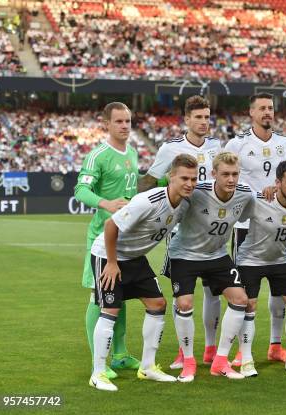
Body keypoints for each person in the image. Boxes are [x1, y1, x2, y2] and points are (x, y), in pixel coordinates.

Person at [88, 154, 198, 391]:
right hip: (109, 256)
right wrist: (112, 262)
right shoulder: (148, 201)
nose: (189, 183)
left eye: (193, 178)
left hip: (135, 258)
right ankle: (98, 373)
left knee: (158, 304)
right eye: (184, 178)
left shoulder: (185, 204)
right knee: (110, 310)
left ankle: (147, 367)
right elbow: (111, 225)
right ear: (171, 177)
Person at [137, 95, 223, 367]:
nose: (203, 122)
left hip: (212, 232)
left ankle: (210, 347)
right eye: (198, 117)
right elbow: (147, 183)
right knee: (182, 295)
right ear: (186, 119)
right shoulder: (170, 149)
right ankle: (184, 352)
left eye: (207, 117)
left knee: (213, 292)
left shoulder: (216, 147)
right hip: (181, 233)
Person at [167, 152, 253, 381]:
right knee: (184, 304)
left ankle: (220, 361)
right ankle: (187, 361)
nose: (231, 179)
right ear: (214, 174)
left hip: (216, 256)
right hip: (184, 255)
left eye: (235, 174)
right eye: (225, 174)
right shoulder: (196, 192)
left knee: (240, 300)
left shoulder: (245, 194)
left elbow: (255, 212)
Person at [224, 93, 286, 364]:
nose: (267, 112)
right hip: (246, 225)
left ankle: (275, 346)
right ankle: (243, 351)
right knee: (247, 294)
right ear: (251, 112)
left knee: (279, 290)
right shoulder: (237, 144)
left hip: (279, 225)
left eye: (271, 108)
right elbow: (227, 179)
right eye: (262, 108)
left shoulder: (285, 143)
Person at [75, 102, 139, 380]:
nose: (125, 126)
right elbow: (81, 190)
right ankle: (96, 361)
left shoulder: (133, 153)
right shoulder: (97, 155)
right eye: (119, 121)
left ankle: (121, 355)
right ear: (108, 124)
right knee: (98, 297)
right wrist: (106, 203)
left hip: (125, 238)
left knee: (119, 295)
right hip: (101, 238)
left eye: (128, 121)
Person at [236, 160, 286, 376]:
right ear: (277, 183)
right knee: (249, 306)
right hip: (250, 260)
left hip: (281, 260)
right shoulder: (258, 200)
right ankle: (247, 360)